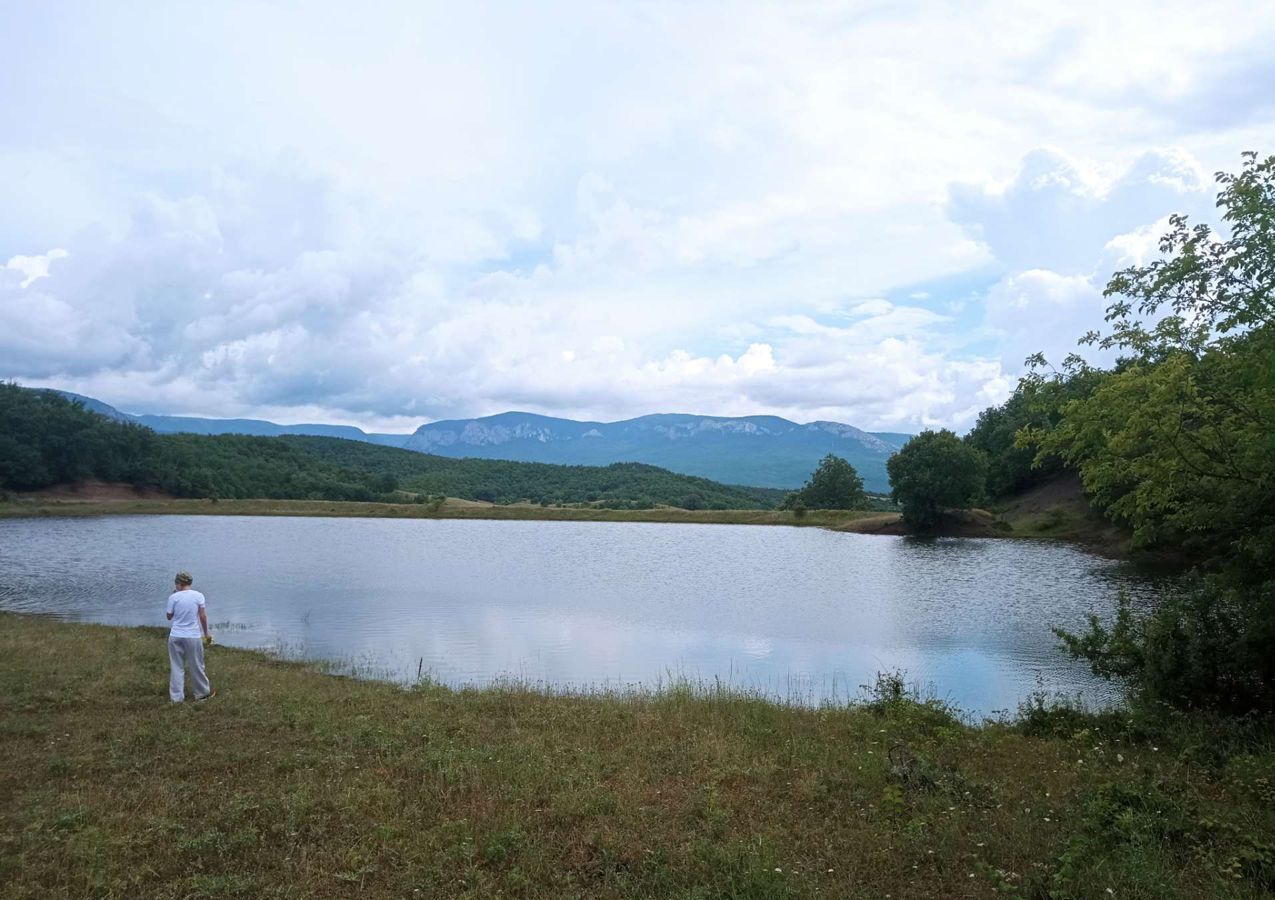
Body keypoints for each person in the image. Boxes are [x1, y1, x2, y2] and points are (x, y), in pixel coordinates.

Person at [166, 571, 215, 703]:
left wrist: (174, 599)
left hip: (175, 636)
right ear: (189, 583)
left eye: (176, 583)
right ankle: (202, 693)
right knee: (197, 665)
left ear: (179, 583)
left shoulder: (173, 597)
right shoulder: (198, 596)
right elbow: (203, 617)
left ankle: (176, 698)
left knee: (176, 666)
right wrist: (206, 634)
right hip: (192, 636)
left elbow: (169, 617)